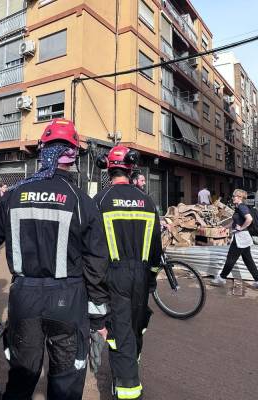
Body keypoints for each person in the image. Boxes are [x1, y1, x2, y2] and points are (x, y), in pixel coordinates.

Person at [0, 118, 110, 400]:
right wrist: (98, 316)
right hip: (68, 299)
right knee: (65, 379)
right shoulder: (81, 201)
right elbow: (96, 262)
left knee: (21, 375)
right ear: (74, 155)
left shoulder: (14, 195)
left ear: (43, 151)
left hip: (24, 297)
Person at [94, 146, 162, 400]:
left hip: (113, 277)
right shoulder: (147, 201)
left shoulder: (100, 201)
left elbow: (93, 250)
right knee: (135, 327)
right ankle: (129, 367)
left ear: (108, 168)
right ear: (132, 168)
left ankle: (128, 389)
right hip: (142, 278)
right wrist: (152, 279)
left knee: (119, 334)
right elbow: (156, 249)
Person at [211, 189, 258, 290]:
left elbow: (249, 219)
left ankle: (222, 279)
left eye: (234, 196)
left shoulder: (241, 207)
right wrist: (225, 228)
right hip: (243, 237)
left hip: (241, 238)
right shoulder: (238, 208)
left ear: (240, 197)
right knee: (248, 260)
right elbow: (235, 221)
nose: (232, 198)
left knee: (230, 259)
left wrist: (241, 228)